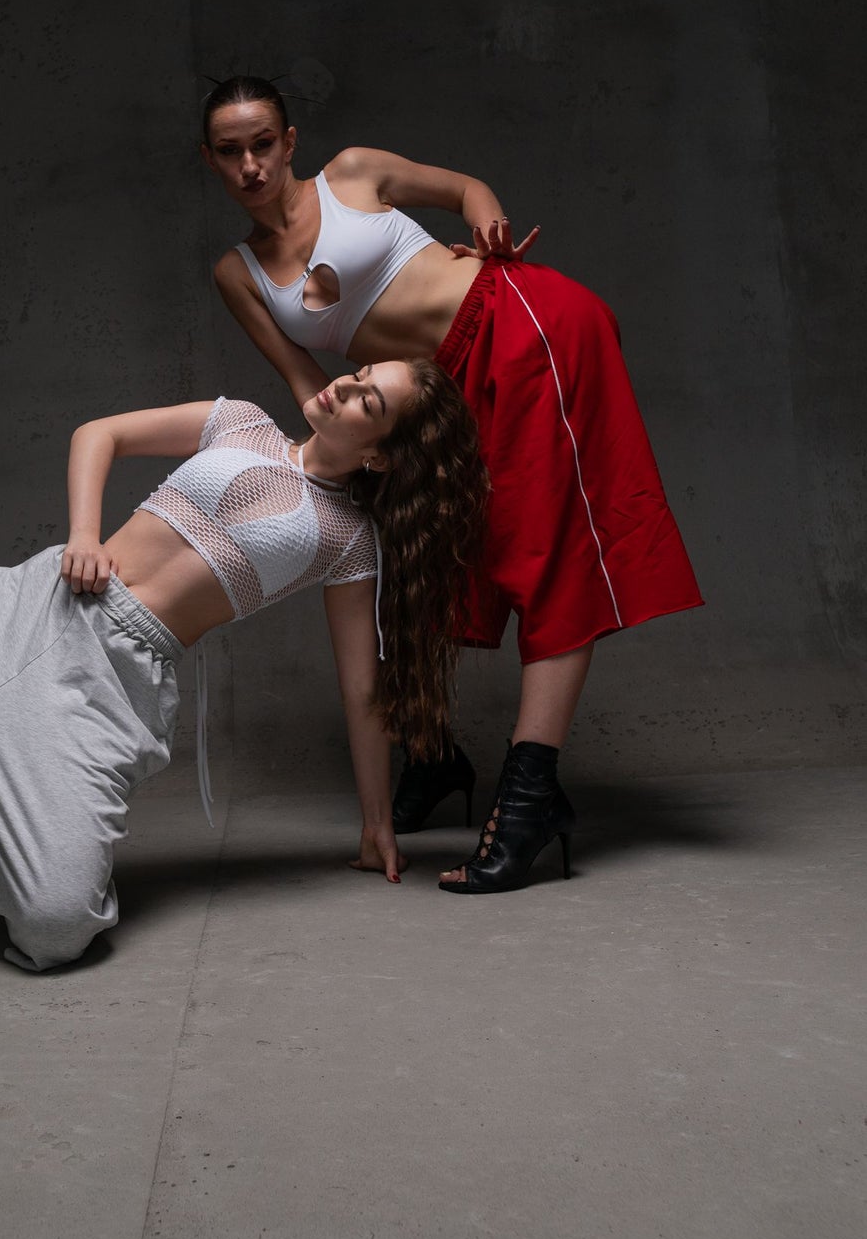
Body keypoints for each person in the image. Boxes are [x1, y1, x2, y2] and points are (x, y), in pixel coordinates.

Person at [0, 360, 487, 970]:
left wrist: (375, 823)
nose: (344, 384)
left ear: (380, 453)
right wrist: (84, 533)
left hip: (105, 682)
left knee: (52, 930)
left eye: (367, 400)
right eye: (359, 372)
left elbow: (360, 685)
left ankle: (21, 845)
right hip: (28, 604)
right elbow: (100, 432)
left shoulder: (347, 539)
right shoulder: (241, 421)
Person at [202, 75, 702, 895]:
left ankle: (531, 793)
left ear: (289, 143)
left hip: (522, 325)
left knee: (544, 552)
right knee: (405, 549)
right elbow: (305, 383)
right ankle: (431, 752)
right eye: (231, 152)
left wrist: (487, 225)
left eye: (263, 144)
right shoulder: (239, 272)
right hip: (436, 393)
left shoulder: (353, 173)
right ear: (212, 160)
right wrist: (315, 461)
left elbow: (467, 188)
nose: (250, 164)